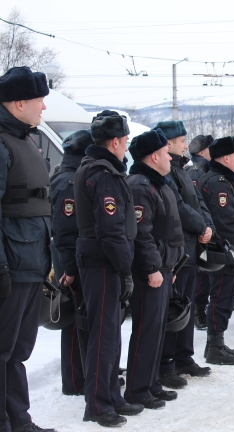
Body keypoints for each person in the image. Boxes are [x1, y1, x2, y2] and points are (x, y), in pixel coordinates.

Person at [0, 67, 58, 432]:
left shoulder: (24, 138)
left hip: (30, 262)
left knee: (18, 351)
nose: (44, 109)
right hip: (11, 267)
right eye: (40, 101)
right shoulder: (3, 143)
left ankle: (18, 421)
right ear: (19, 102)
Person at [74, 110, 141, 427]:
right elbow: (111, 229)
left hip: (104, 260)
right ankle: (98, 405)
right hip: (103, 261)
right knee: (103, 335)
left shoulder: (99, 169)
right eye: (125, 141)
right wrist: (125, 268)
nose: (126, 147)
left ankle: (111, 396)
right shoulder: (103, 174)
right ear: (114, 141)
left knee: (110, 334)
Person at [125, 129, 184, 408]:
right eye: (165, 153)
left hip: (164, 267)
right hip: (150, 271)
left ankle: (151, 383)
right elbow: (141, 233)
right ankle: (137, 389)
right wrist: (152, 268)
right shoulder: (139, 185)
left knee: (157, 329)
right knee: (146, 330)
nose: (170, 158)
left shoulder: (157, 183)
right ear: (153, 156)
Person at [155, 121, 213, 388]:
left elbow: (197, 201)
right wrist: (200, 226)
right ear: (167, 143)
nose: (184, 144)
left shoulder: (181, 171)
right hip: (176, 251)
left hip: (190, 247)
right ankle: (166, 363)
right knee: (174, 309)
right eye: (180, 140)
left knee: (186, 306)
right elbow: (176, 207)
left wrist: (207, 226)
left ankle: (183, 356)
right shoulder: (166, 172)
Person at [199, 136, 234, 365]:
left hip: (228, 248)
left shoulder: (224, 179)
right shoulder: (219, 182)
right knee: (221, 298)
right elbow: (224, 223)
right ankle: (215, 346)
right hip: (224, 251)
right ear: (226, 158)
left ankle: (215, 343)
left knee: (223, 297)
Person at [50, 130, 94, 398]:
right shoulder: (68, 181)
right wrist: (68, 270)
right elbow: (65, 232)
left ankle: (86, 374)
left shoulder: (72, 176)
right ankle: (74, 381)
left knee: (82, 320)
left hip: (76, 259)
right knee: (73, 323)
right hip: (71, 262)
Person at [185, 134, 214, 329]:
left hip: (207, 228)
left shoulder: (203, 169)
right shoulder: (195, 172)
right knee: (201, 275)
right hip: (199, 231)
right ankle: (198, 311)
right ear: (202, 152)